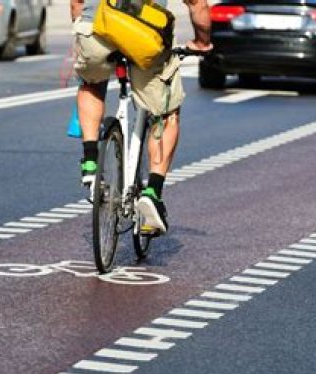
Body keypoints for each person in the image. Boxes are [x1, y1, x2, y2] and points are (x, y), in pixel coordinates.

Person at [71, 0, 212, 234]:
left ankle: (90, 161)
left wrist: (81, 29)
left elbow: (77, 3)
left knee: (91, 83)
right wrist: (202, 42)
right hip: (144, 32)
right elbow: (198, 5)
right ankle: (152, 193)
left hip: (96, 25)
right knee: (165, 112)